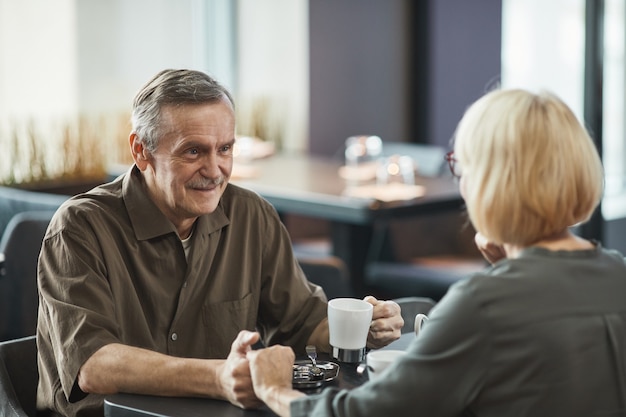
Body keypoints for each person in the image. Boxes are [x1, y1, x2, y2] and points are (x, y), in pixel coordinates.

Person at [36, 69, 403, 417]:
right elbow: (94, 365)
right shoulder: (79, 228)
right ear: (141, 150)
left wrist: (361, 331)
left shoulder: (251, 215)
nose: (215, 170)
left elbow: (304, 323)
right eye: (194, 151)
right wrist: (218, 378)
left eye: (225, 149)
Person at [245, 88, 626, 416]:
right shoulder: (617, 273)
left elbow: (366, 413)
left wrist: (277, 391)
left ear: (490, 183)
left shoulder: (483, 305)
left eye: (462, 168)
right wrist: (510, 268)